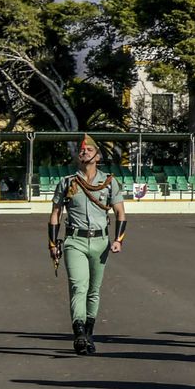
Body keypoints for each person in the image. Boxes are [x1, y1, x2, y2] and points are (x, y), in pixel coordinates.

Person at [47, 134, 127, 355]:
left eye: (89, 150)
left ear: (98, 156)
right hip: (75, 241)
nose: (84, 153)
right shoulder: (67, 182)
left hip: (101, 242)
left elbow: (120, 213)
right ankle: (79, 332)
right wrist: (53, 244)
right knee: (78, 286)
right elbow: (55, 214)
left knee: (94, 290)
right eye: (81, 151)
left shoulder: (110, 182)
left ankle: (89, 333)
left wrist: (118, 240)